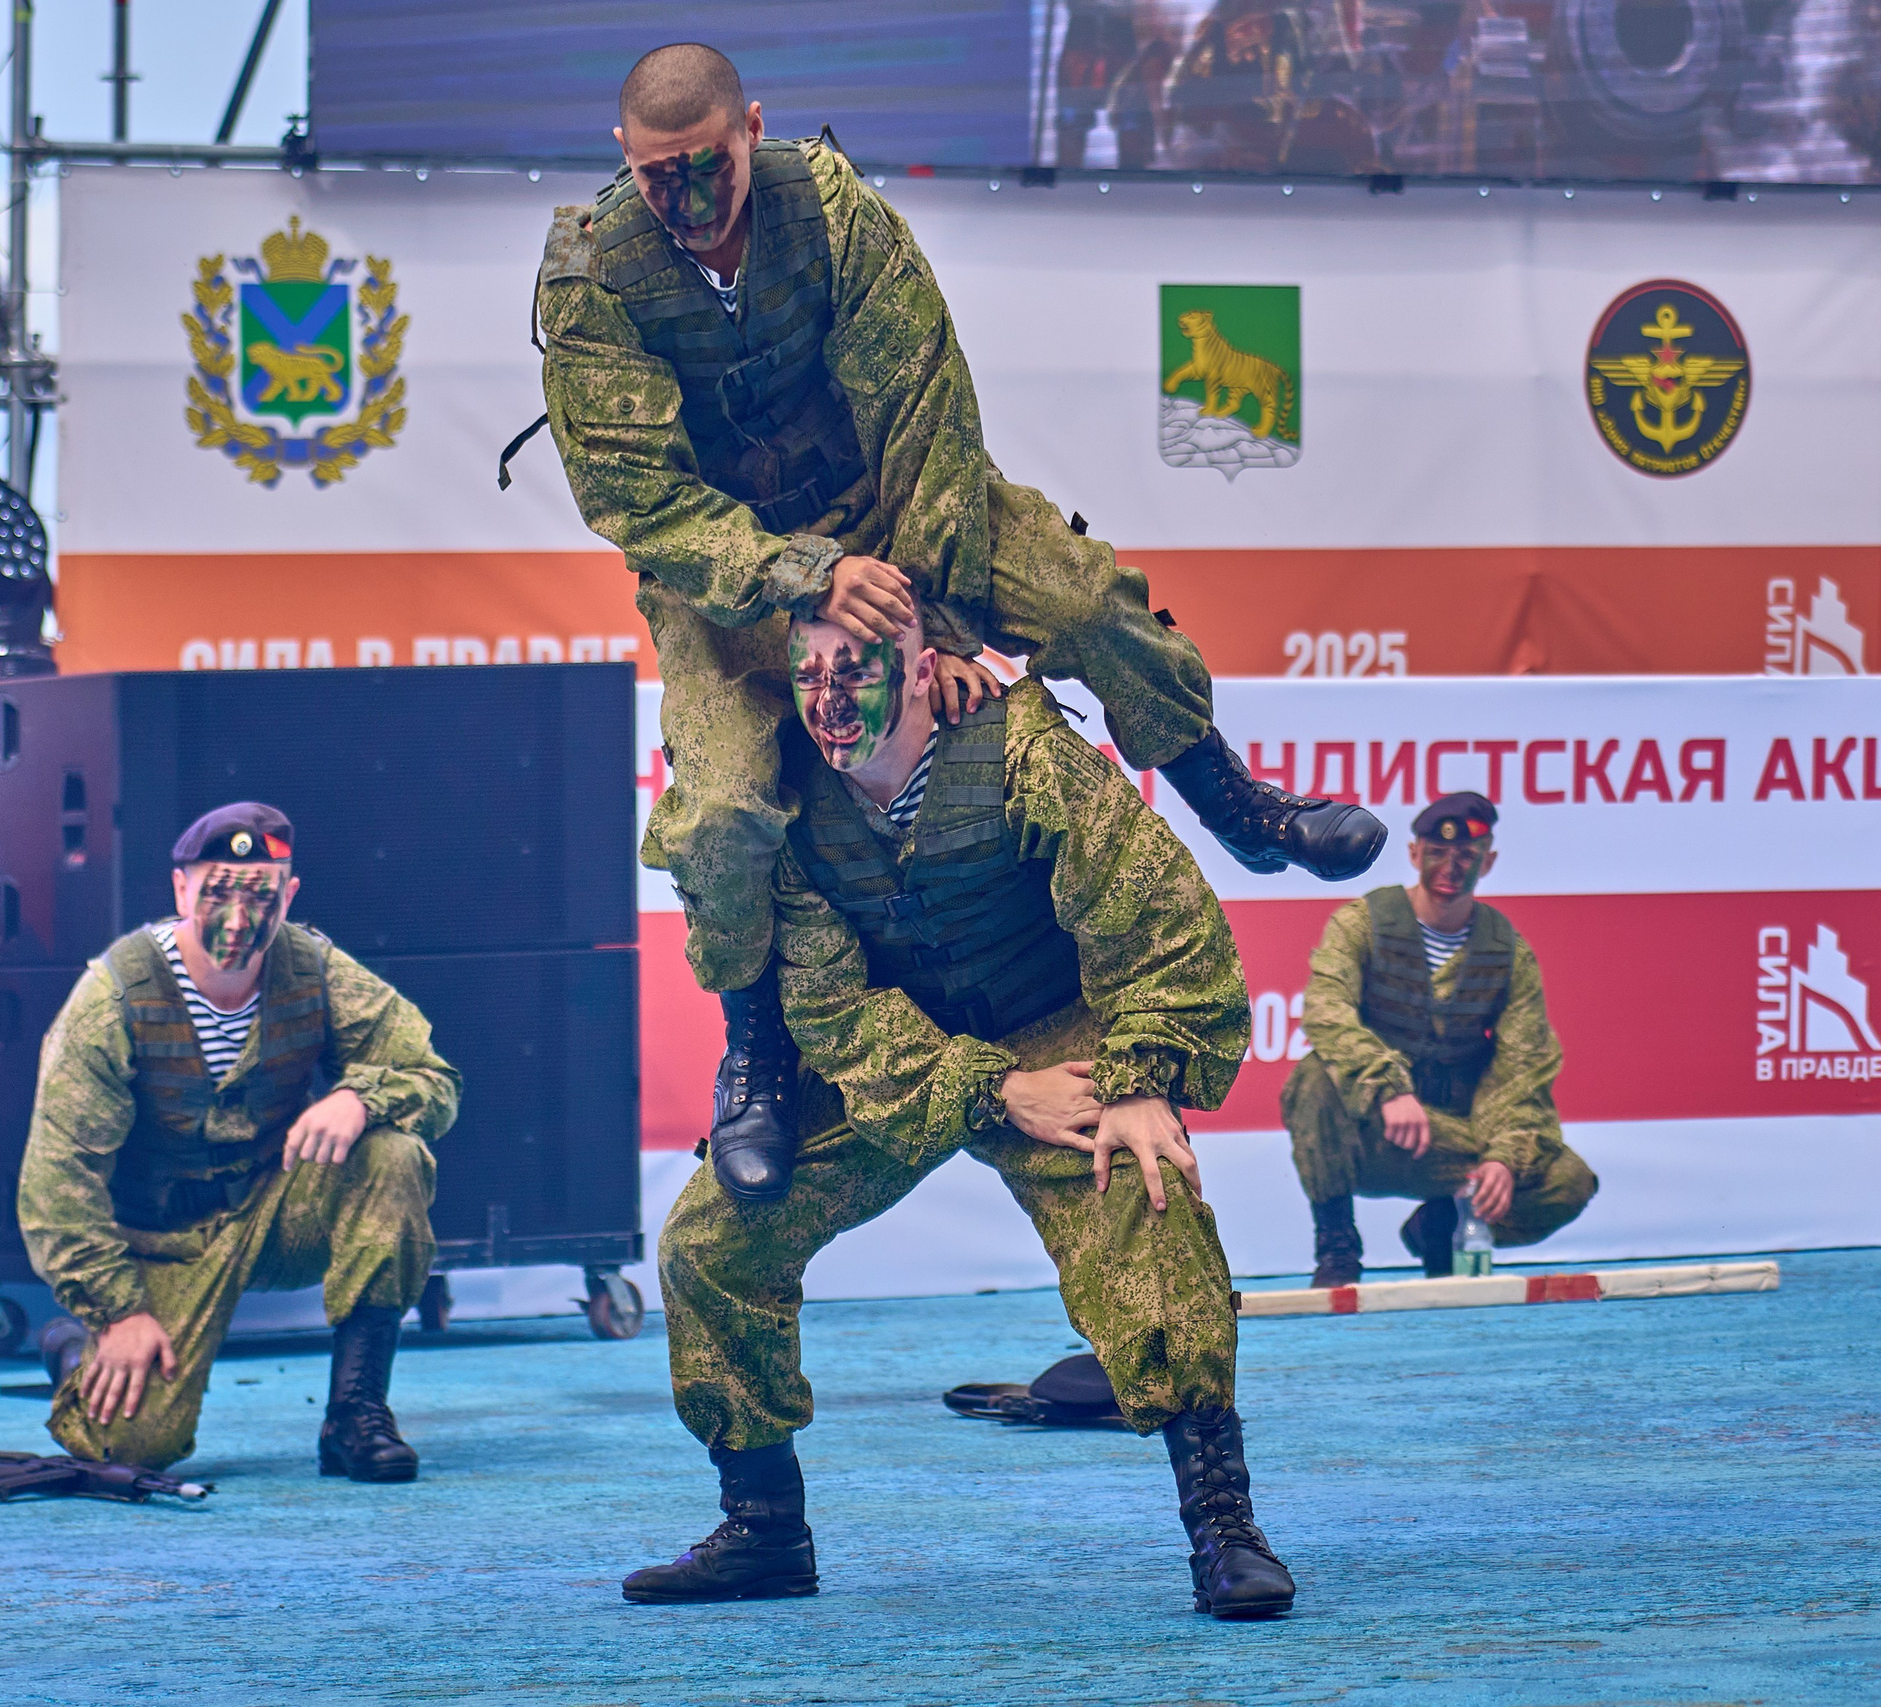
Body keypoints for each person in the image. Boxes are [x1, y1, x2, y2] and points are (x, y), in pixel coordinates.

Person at [533, 41, 1385, 1209]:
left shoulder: (830, 211)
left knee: (1085, 600)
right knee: (723, 802)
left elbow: (927, 421)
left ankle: (1228, 796)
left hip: (898, 509)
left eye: (707, 168)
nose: (684, 203)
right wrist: (801, 575)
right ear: (621, 163)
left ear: (754, 131)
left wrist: (922, 627)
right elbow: (636, 498)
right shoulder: (592, 272)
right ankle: (756, 1048)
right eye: (655, 177)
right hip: (727, 571)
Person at [622, 608, 1295, 1621]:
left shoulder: (1025, 757)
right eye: (808, 673)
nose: (830, 697)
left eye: (857, 667)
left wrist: (1145, 1077)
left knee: (1147, 1196)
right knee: (711, 1243)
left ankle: (1225, 1529)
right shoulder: (781, 809)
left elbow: (1160, 920)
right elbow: (830, 1012)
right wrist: (987, 1091)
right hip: (905, 1055)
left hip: (1056, 1029)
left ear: (927, 671)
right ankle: (763, 1529)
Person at [18, 803, 460, 1478]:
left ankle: (355, 1412)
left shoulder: (312, 965)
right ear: (180, 889)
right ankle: (76, 1349)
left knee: (391, 1153)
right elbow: (57, 1182)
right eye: (218, 890)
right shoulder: (114, 995)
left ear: (288, 894)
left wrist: (357, 1097)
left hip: (274, 1214)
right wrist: (116, 1309)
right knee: (130, 1448)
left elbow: (431, 1075)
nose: (238, 913)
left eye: (259, 892)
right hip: (159, 1243)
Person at [1279, 792, 1597, 1286]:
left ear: (1487, 861)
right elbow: (1326, 1010)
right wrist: (1387, 1086)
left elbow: (1521, 1070)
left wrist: (1503, 1156)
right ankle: (1337, 1246)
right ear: (1414, 854)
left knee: (1568, 1181)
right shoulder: (1362, 924)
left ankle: (1442, 1228)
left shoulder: (1508, 952)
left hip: (1455, 1138)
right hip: (1374, 1133)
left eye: (1466, 856)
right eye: (1437, 853)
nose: (1451, 866)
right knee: (1314, 1079)